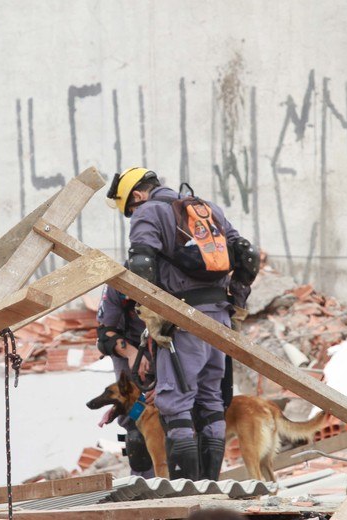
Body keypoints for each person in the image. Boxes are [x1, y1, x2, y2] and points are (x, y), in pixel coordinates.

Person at [105, 167, 259, 481]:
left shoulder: (149, 212)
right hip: (218, 317)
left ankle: (185, 490)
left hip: (181, 318)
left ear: (137, 195)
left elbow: (141, 265)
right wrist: (237, 306)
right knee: (211, 400)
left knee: (174, 403)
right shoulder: (205, 209)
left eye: (130, 209)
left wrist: (153, 315)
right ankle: (208, 486)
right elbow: (246, 256)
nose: (134, 214)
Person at [96, 282, 155, 478]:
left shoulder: (172, 273)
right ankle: (143, 482)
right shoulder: (118, 284)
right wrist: (131, 353)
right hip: (131, 348)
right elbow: (105, 336)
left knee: (180, 416)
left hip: (173, 351)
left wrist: (167, 387)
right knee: (134, 422)